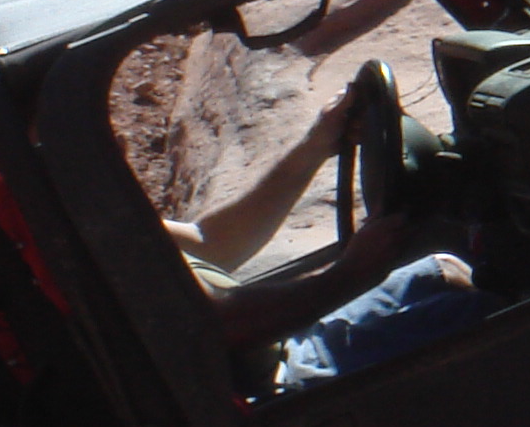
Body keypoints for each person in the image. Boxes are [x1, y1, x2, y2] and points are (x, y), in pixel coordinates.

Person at [162, 83, 482, 386]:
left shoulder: (133, 236)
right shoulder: (126, 272)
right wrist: (352, 273)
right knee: (490, 314)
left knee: (445, 270)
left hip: (282, 344)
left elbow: (208, 241)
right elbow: (222, 327)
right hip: (277, 387)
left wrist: (317, 143)